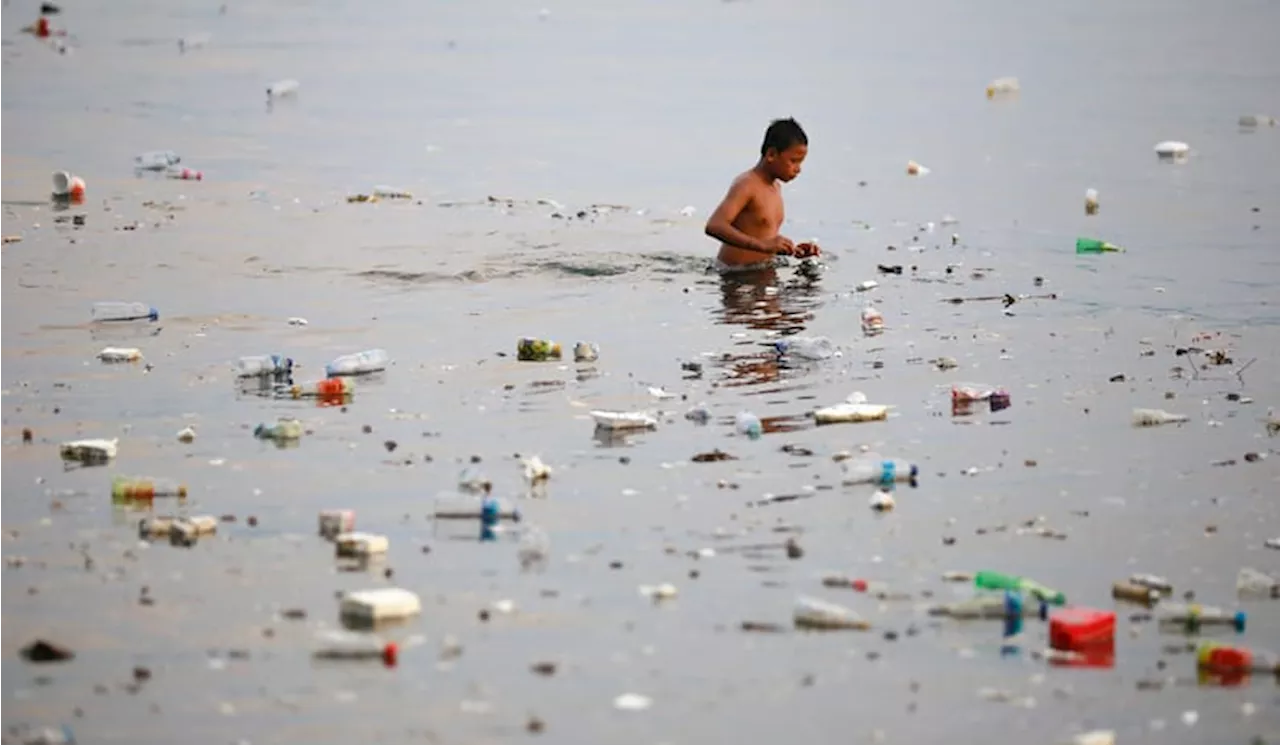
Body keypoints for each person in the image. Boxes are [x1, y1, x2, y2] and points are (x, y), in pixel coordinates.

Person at [705, 118, 821, 273]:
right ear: (771, 154)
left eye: (800, 162)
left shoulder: (775, 187)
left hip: (760, 273)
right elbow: (715, 225)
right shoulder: (746, 185)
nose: (798, 169)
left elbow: (763, 232)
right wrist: (762, 246)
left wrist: (792, 250)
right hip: (735, 276)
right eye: (793, 161)